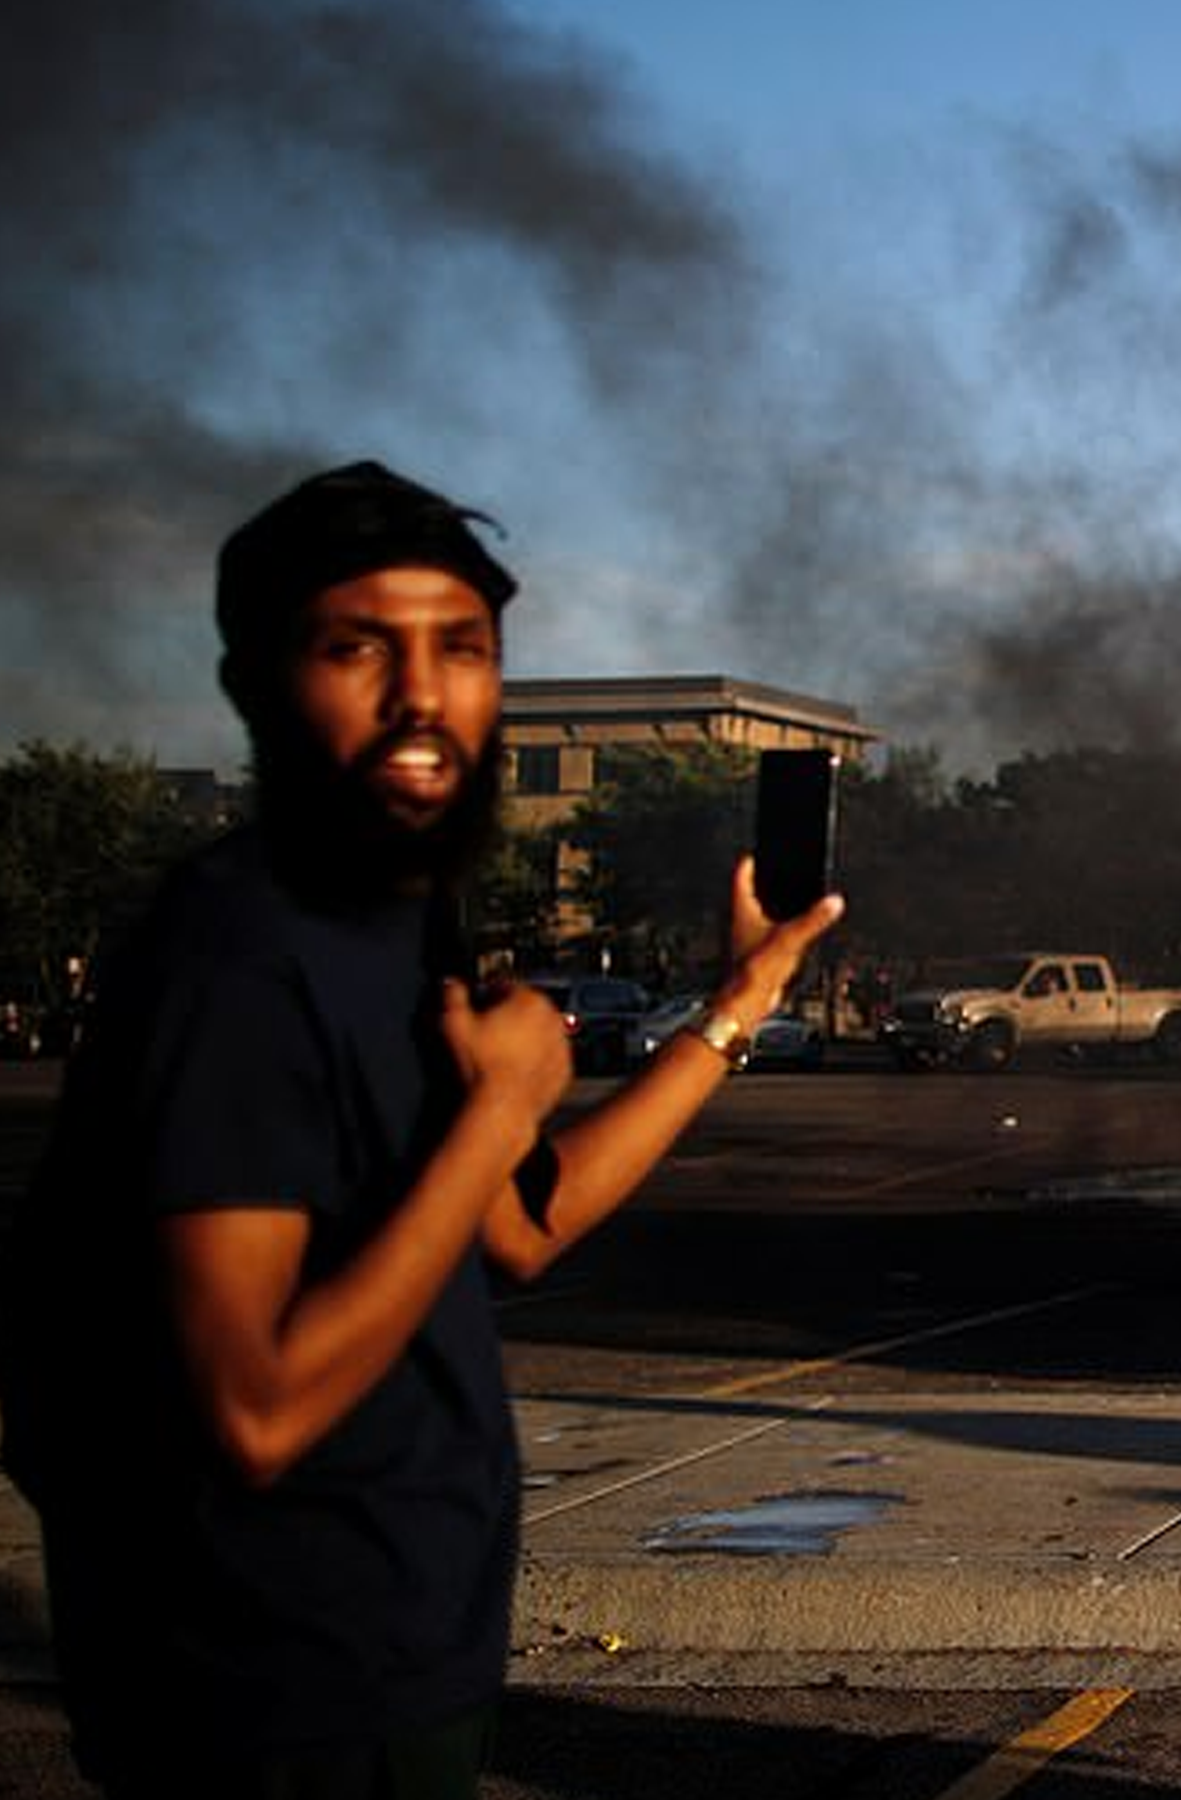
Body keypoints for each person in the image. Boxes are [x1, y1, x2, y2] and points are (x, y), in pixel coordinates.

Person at [0, 462, 842, 1798]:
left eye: (463, 649)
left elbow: (518, 1221)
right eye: (358, 649)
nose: (421, 696)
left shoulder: (388, 920)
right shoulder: (240, 960)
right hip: (278, 1696)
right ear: (255, 683)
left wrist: (736, 1007)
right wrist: (499, 1107)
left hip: (398, 1662)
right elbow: (257, 1407)